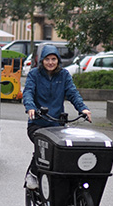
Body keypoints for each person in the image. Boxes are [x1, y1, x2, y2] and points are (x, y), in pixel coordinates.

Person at [22, 44, 91, 189]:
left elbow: (72, 93)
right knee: (44, 148)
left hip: (57, 125)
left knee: (63, 151)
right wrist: (31, 107)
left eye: (54, 59)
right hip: (38, 123)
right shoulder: (34, 74)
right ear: (42, 60)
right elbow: (28, 92)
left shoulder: (64, 75)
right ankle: (33, 174)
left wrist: (83, 109)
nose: (50, 62)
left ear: (58, 60)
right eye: (47, 59)